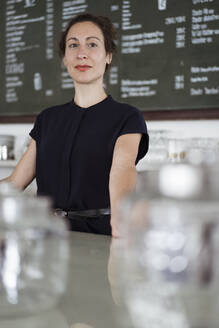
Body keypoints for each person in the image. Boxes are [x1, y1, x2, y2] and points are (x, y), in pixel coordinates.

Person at [0, 13, 149, 237]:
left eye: (92, 44)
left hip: (99, 239)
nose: (82, 53)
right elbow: (14, 182)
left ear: (108, 55)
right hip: (46, 237)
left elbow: (123, 170)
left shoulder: (127, 117)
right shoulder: (47, 119)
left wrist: (121, 222)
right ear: (64, 58)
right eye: (73, 45)